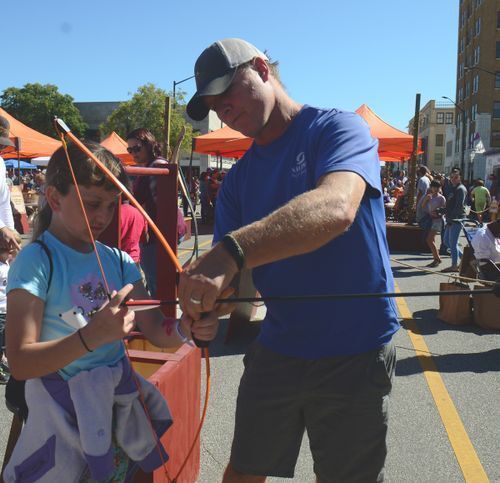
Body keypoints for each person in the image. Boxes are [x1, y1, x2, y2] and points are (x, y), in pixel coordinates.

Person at [181, 38, 399, 482]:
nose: (222, 108)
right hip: (280, 347)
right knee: (242, 472)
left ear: (262, 68)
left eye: (228, 91)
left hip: (356, 348)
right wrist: (207, 306)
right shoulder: (240, 180)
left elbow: (337, 208)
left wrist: (231, 252)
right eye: (212, 104)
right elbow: (230, 279)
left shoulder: (338, 130)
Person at [3, 142, 218, 481]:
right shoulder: (37, 260)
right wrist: (91, 337)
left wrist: (187, 327)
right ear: (55, 198)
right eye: (92, 203)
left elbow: (156, 330)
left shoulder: (117, 260)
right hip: (62, 414)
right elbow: (20, 361)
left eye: (111, 204)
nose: (103, 216)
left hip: (115, 407)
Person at [126, 128, 167, 296]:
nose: (132, 153)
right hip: (148, 233)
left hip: (157, 233)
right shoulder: (146, 168)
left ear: (148, 145)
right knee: (152, 278)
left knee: (156, 280)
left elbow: (162, 206)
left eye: (136, 148)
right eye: (130, 149)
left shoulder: (157, 166)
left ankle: (160, 318)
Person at [0, 230, 22, 384]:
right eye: (10, 252)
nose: (11, 255)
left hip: (8, 309)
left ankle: (4, 360)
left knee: (7, 339)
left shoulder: (9, 264)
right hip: (1, 310)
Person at [0, 116, 21, 253]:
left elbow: (4, 203)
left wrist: (11, 230)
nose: (1, 147)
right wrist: (2, 228)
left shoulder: (0, 163)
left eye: (2, 144)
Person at [442, 170, 468, 273]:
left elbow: (459, 206)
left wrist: (451, 218)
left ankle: (454, 265)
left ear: (460, 178)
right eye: (452, 177)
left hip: (457, 219)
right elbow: (450, 204)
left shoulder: (461, 189)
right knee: (446, 241)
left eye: (455, 177)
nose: (453, 179)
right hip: (451, 218)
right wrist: (443, 211)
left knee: (452, 243)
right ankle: (466, 259)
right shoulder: (453, 188)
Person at [421, 180, 446, 267]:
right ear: (431, 187)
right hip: (431, 219)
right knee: (432, 240)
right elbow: (423, 206)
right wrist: (426, 199)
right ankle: (436, 259)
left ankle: (437, 259)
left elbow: (444, 210)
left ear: (440, 188)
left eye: (437, 187)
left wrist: (438, 212)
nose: (435, 189)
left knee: (429, 240)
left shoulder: (441, 198)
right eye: (433, 187)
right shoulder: (429, 196)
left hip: (438, 220)